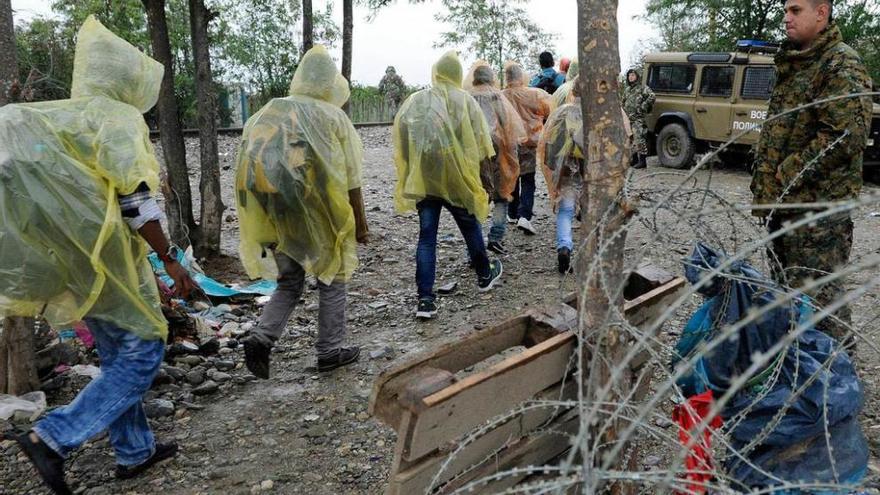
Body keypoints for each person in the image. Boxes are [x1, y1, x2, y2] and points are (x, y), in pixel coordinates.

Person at [0, 16, 198, 494]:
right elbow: (135, 201)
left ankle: (135, 452)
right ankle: (53, 436)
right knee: (145, 350)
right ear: (127, 78)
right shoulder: (115, 118)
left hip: (72, 259)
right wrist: (170, 258)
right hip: (106, 258)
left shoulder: (64, 115)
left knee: (115, 353)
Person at [237, 45, 368, 378]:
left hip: (273, 211)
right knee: (332, 275)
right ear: (329, 83)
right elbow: (351, 179)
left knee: (290, 281)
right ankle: (330, 350)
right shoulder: (332, 116)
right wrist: (360, 224)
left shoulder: (268, 111)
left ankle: (262, 336)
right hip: (317, 210)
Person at [751, 0, 873, 345]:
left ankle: (834, 382)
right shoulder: (795, 61)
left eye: (795, 10)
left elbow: (843, 137)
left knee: (821, 304)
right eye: (785, 10)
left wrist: (782, 174)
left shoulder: (839, 63)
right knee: (788, 299)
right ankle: (799, 370)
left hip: (816, 213)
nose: (786, 17)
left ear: (821, 13)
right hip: (784, 206)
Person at [393, 51, 504, 320]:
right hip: (456, 179)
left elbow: (403, 135)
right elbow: (481, 143)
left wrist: (413, 168)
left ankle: (425, 300)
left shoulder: (416, 100)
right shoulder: (463, 101)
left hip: (426, 178)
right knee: (469, 226)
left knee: (427, 237)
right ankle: (484, 274)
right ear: (456, 74)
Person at [465, 61, 526, 253]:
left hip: (473, 151)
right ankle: (496, 237)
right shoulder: (496, 96)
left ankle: (473, 247)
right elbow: (507, 124)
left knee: (476, 194)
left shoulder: (467, 98)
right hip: (496, 148)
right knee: (501, 193)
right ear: (491, 78)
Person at [538, 82, 585, 275]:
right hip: (590, 170)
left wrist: (554, 169)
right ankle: (593, 254)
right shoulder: (598, 116)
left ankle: (564, 247)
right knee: (592, 212)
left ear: (573, 92)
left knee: (565, 211)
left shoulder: (563, 112)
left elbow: (548, 143)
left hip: (565, 168)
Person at [503, 61, 552, 235]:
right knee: (528, 179)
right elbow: (549, 110)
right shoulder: (534, 94)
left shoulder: (501, 96)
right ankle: (525, 216)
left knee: (513, 177)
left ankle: (512, 213)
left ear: (506, 77)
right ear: (521, 76)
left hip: (509, 144)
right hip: (530, 143)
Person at [621, 67, 655, 169]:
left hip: (638, 119)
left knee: (639, 139)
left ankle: (643, 161)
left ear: (637, 76)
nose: (631, 77)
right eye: (629, 75)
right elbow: (623, 102)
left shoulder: (642, 88)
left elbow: (652, 96)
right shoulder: (627, 90)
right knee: (630, 140)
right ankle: (634, 160)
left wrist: (643, 106)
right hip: (628, 119)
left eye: (633, 75)